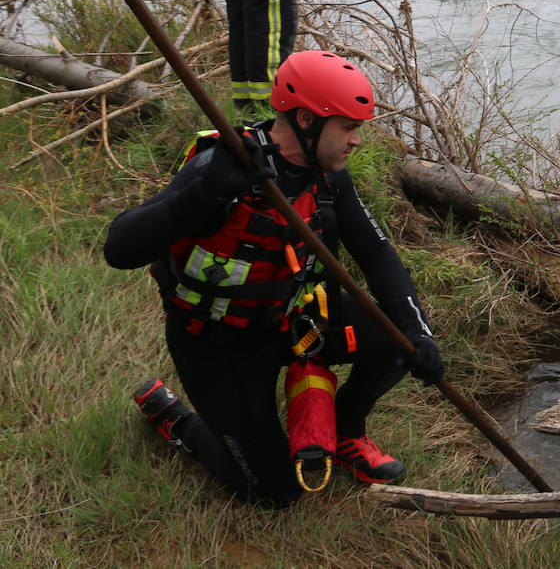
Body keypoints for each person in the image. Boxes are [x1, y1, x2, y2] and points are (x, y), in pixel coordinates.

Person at [104, 50, 444, 508]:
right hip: (217, 345)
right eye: (348, 127)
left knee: (395, 340)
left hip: (291, 321)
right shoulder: (222, 165)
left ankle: (346, 431)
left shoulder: (328, 177)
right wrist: (207, 192)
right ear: (306, 119)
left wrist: (416, 331)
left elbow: (377, 253)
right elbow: (119, 248)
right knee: (275, 492)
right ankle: (176, 417)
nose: (356, 141)